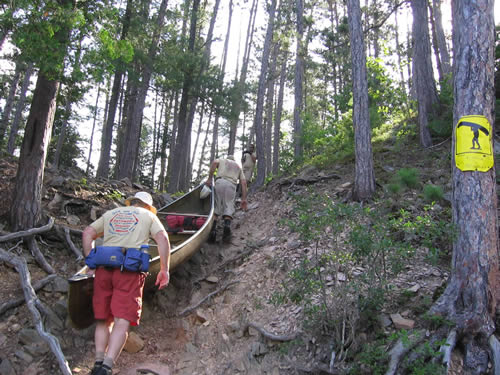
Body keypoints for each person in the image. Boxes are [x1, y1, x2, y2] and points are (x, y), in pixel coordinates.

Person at [82, 191, 171, 375]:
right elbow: (162, 238)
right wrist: (164, 269)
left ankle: (97, 362)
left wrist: (90, 262)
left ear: (132, 202)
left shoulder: (112, 213)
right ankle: (106, 367)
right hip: (129, 272)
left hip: (104, 270)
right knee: (121, 320)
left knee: (103, 319)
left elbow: (88, 233)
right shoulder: (148, 216)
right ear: (147, 206)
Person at [206, 155, 248, 242]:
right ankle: (226, 229)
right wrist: (244, 199)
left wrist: (210, 178)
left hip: (220, 182)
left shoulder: (222, 160)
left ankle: (212, 232)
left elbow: (214, 162)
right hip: (231, 185)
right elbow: (243, 182)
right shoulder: (238, 166)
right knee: (229, 206)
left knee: (216, 207)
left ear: (228, 158)